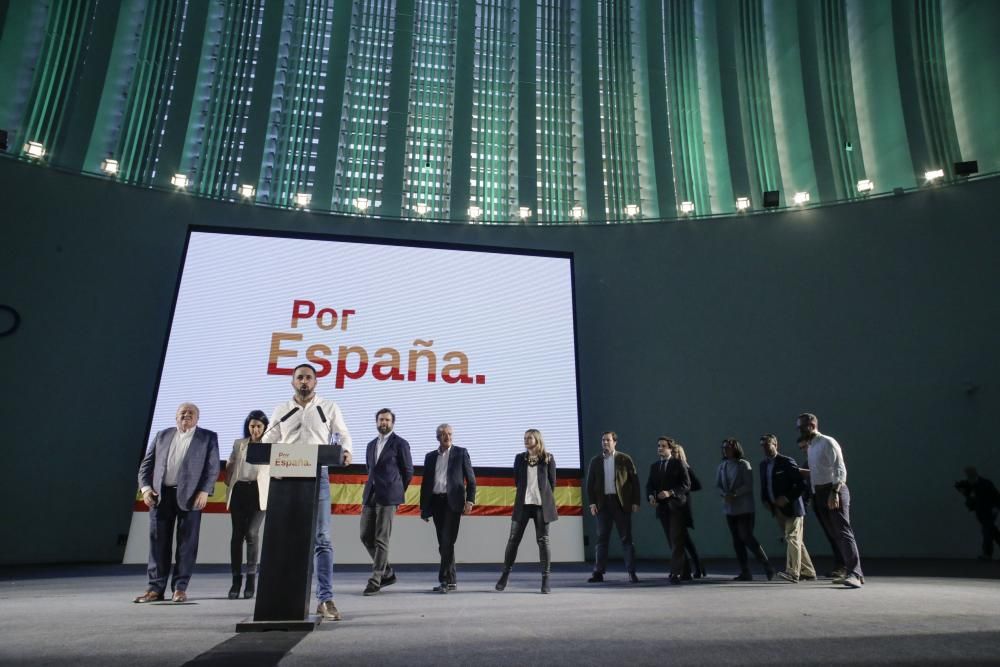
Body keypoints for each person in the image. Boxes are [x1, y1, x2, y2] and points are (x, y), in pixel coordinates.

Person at [263, 363, 352, 621]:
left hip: (317, 477)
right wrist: (266, 455)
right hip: (284, 478)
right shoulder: (282, 410)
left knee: (322, 538)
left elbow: (342, 434)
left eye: (308, 378)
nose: (304, 381)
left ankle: (325, 599)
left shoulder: (328, 408)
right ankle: (280, 597)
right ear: (292, 382)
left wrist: (346, 450)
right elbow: (269, 441)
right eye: (300, 377)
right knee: (284, 538)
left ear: (316, 382)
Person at [134, 403, 219, 603]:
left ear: (198, 419)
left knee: (186, 545)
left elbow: (213, 468)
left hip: (191, 498)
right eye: (182, 413)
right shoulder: (162, 435)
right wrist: (146, 489)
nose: (186, 416)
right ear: (175, 417)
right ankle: (155, 588)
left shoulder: (207, 437)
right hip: (160, 496)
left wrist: (205, 491)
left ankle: (180, 588)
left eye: (191, 413)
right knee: (158, 544)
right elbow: (145, 466)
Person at [797, 413, 863, 588]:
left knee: (843, 532)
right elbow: (819, 471)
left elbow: (839, 468)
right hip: (819, 493)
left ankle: (855, 574)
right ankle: (849, 570)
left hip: (833, 491)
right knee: (834, 534)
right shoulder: (811, 447)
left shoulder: (827, 442)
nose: (799, 430)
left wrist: (835, 492)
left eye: (801, 427)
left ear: (811, 425)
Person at [495, 429, 558, 594]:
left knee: (543, 541)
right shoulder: (519, 458)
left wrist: (541, 497)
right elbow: (517, 481)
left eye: (529, 438)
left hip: (541, 506)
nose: (526, 440)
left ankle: (546, 579)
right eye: (524, 438)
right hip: (523, 505)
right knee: (513, 540)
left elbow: (552, 484)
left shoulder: (548, 458)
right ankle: (504, 575)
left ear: (537, 439)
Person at [360, 408, 413, 596]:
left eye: (387, 420)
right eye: (381, 420)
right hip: (371, 495)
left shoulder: (401, 444)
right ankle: (387, 571)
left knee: (381, 538)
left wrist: (397, 492)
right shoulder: (370, 445)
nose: (384, 423)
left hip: (389, 496)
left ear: (393, 423)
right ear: (376, 422)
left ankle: (376, 579)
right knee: (365, 536)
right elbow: (370, 469)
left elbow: (408, 472)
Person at [419, 424, 476, 593]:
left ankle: (444, 581)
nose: (447, 437)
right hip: (436, 503)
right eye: (443, 434)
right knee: (443, 543)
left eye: (450, 434)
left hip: (454, 503)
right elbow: (426, 484)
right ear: (438, 437)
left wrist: (470, 501)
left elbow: (471, 480)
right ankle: (452, 580)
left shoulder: (461, 453)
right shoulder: (430, 457)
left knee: (447, 541)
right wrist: (424, 508)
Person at [224, 410, 270, 599]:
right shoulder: (239, 444)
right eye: (252, 426)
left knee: (251, 533)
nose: (255, 429)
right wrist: (228, 475)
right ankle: (236, 580)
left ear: (265, 427)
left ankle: (251, 578)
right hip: (240, 491)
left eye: (259, 426)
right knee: (237, 535)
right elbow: (231, 463)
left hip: (258, 493)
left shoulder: (270, 445)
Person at [758, 434, 815, 583]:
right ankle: (808, 571)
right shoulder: (763, 465)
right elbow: (764, 485)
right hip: (777, 510)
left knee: (792, 538)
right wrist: (765, 501)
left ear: (775, 444)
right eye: (762, 445)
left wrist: (788, 498)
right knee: (795, 540)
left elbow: (801, 484)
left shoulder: (786, 462)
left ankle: (792, 572)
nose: (765, 448)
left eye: (767, 444)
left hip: (793, 508)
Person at [586, 431, 641, 583]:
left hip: (621, 503)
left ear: (615, 442)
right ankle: (598, 572)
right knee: (602, 539)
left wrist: (636, 502)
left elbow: (634, 481)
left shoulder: (625, 459)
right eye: (603, 440)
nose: (605, 443)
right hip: (603, 504)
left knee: (626, 539)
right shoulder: (595, 461)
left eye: (608, 440)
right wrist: (592, 503)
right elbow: (590, 485)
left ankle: (631, 572)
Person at [716, 438, 773, 581]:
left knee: (746, 536)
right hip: (730, 509)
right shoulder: (722, 466)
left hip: (744, 508)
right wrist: (725, 495)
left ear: (735, 448)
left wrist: (734, 494)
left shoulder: (743, 464)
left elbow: (748, 485)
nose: (725, 450)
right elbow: (718, 485)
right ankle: (745, 571)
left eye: (728, 447)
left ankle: (766, 564)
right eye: (724, 448)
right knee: (737, 540)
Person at [646, 437, 691, 584]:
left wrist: (670, 492)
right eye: (658, 446)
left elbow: (686, 484)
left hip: (677, 507)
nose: (660, 448)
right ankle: (685, 570)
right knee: (672, 541)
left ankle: (675, 573)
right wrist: (651, 496)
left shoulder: (678, 463)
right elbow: (649, 485)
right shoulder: (654, 466)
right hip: (663, 508)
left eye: (663, 446)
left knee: (677, 540)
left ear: (670, 448)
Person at [669, 442, 706, 578]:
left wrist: (682, 490)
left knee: (684, 540)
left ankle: (693, 567)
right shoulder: (670, 467)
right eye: (672, 453)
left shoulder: (684, 466)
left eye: (676, 453)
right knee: (683, 540)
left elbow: (697, 485)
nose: (673, 455)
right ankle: (695, 566)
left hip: (683, 507)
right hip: (673, 507)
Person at [954, 466, 1000, 560]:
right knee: (992, 531)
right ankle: (987, 554)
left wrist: (996, 507)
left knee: (987, 531)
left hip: (989, 511)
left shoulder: (985, 484)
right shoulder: (970, 483)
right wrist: (964, 492)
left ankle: (987, 554)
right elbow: (959, 486)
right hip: (981, 511)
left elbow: (996, 496)